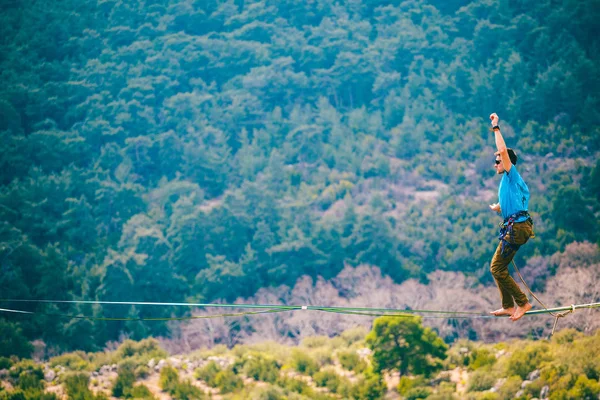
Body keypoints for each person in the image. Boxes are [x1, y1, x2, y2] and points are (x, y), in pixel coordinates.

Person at [487, 113, 534, 321]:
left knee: (496, 267)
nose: (495, 164)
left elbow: (504, 151)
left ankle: (522, 303)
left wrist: (495, 127)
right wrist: (498, 207)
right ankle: (507, 305)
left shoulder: (510, 173)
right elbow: (514, 203)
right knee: (499, 267)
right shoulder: (511, 183)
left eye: (497, 161)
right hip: (519, 226)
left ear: (506, 163)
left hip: (516, 228)